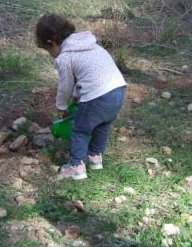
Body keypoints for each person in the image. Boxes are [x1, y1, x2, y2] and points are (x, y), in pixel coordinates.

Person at [35, 14, 127, 180]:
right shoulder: (91, 45)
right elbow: (86, 76)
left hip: (97, 96)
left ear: (51, 42)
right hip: (118, 90)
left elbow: (66, 86)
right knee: (103, 125)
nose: (50, 54)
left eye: (48, 50)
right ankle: (95, 158)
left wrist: (61, 107)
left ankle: (77, 167)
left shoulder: (65, 57)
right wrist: (77, 97)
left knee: (80, 130)